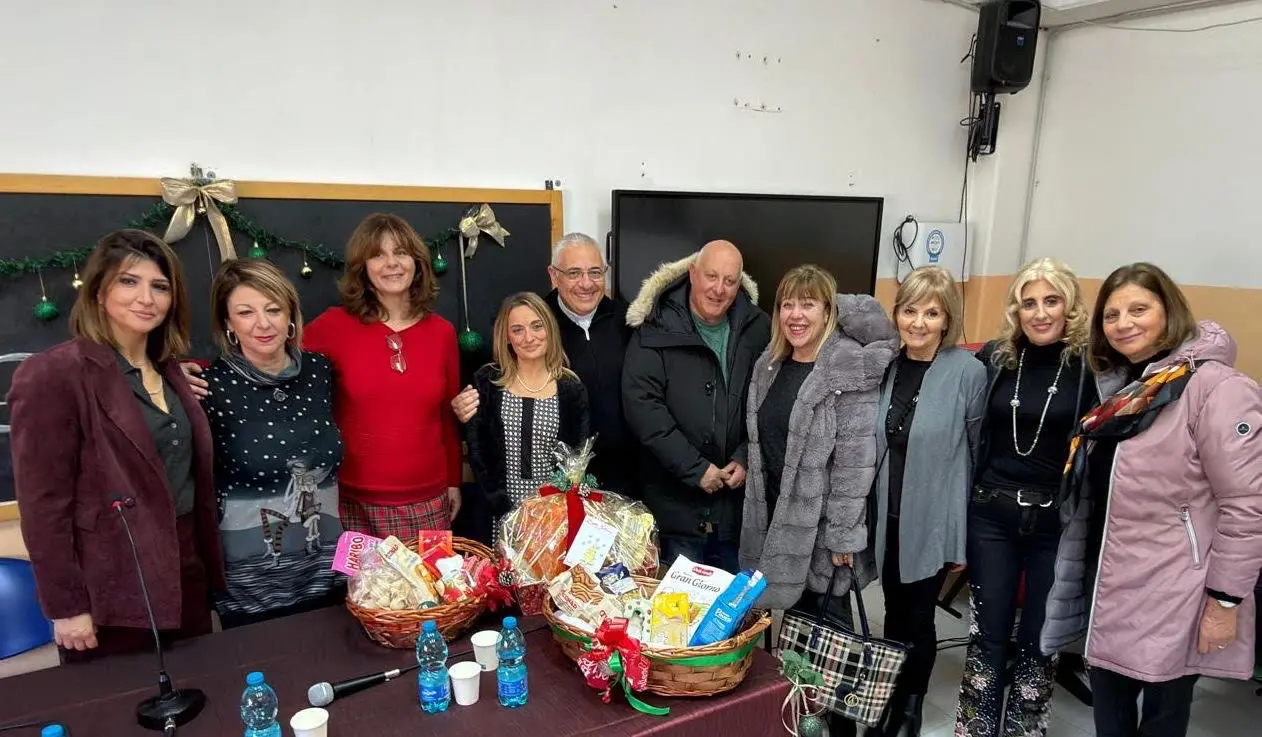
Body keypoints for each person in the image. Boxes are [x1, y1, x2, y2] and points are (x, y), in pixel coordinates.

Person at [1041, 263, 1262, 737]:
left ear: (1170, 312)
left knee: (1163, 719)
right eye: (1112, 314)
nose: (1124, 324)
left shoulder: (1216, 389)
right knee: (1111, 716)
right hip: (1112, 579)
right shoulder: (1122, 389)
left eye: (1139, 309)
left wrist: (1225, 603)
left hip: (1176, 590)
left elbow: (1248, 508)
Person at [7, 229, 225, 659]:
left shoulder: (171, 372)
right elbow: (43, 504)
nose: (146, 297)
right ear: (98, 291)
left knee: (202, 693)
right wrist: (67, 606)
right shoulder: (53, 375)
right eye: (129, 281)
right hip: (114, 584)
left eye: (159, 286)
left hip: (186, 568)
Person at [739, 265, 898, 737]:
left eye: (808, 303)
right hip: (773, 518)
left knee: (827, 641)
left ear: (829, 310)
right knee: (791, 640)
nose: (796, 314)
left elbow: (854, 461)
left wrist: (844, 536)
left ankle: (838, 728)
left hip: (821, 528)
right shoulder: (769, 363)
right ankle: (796, 721)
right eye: (787, 303)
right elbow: (760, 444)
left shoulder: (845, 366)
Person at [954, 258, 1097, 737]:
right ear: (1016, 308)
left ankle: (1021, 731)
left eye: (1051, 301)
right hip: (991, 515)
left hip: (1056, 523)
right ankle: (975, 729)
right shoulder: (995, 357)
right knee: (987, 634)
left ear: (1069, 307)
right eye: (1029, 302)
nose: (1039, 313)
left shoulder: (1090, 369)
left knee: (1041, 638)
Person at [866, 265, 987, 737]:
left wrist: (963, 537)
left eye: (931, 313)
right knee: (895, 611)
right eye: (910, 310)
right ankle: (891, 694)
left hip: (935, 520)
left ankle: (911, 707)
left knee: (917, 616)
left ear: (947, 319)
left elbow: (975, 458)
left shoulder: (968, 373)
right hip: (888, 517)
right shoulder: (886, 365)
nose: (918, 322)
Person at [202, 258, 344, 628]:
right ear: (228, 323)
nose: (262, 324)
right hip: (252, 580)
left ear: (291, 315)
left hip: (326, 568)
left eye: (273, 309)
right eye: (245, 312)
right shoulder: (207, 385)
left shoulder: (320, 371)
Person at [302, 213, 461, 541]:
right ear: (363, 267)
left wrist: (454, 482)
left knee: (431, 591)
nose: (392, 263)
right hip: (353, 503)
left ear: (416, 262)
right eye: (378, 254)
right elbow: (272, 355)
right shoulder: (332, 327)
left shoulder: (442, 333)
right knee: (362, 593)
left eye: (401, 252)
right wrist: (190, 370)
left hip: (429, 500)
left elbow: (448, 416)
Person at [622, 240, 771, 573]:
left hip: (736, 511)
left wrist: (745, 456)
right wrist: (695, 469)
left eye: (730, 281)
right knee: (676, 614)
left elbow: (770, 403)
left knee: (736, 615)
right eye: (711, 276)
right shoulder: (654, 325)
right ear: (692, 273)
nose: (719, 289)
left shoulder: (758, 328)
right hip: (674, 509)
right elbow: (643, 407)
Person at [452, 233, 633, 495]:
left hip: (625, 477)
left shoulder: (629, 321)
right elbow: (497, 390)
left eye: (595, 272)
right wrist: (464, 406)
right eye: (573, 273)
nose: (586, 283)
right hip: (557, 488)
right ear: (553, 275)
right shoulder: (536, 322)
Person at [466, 292, 590, 540]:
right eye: (518, 330)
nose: (529, 337)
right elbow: (477, 449)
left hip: (550, 514)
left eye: (537, 326)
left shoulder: (570, 387)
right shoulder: (488, 381)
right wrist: (496, 500)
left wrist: (553, 506)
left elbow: (577, 458)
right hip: (496, 512)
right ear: (507, 337)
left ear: (550, 329)